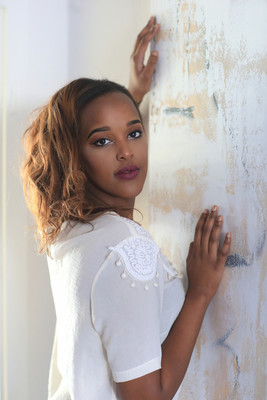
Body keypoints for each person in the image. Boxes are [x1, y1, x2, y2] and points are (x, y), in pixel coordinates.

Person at [22, 17, 231, 400]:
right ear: (73, 157)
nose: (126, 151)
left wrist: (131, 93)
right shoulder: (125, 247)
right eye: (102, 141)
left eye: (134, 132)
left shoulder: (68, 231)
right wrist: (200, 291)